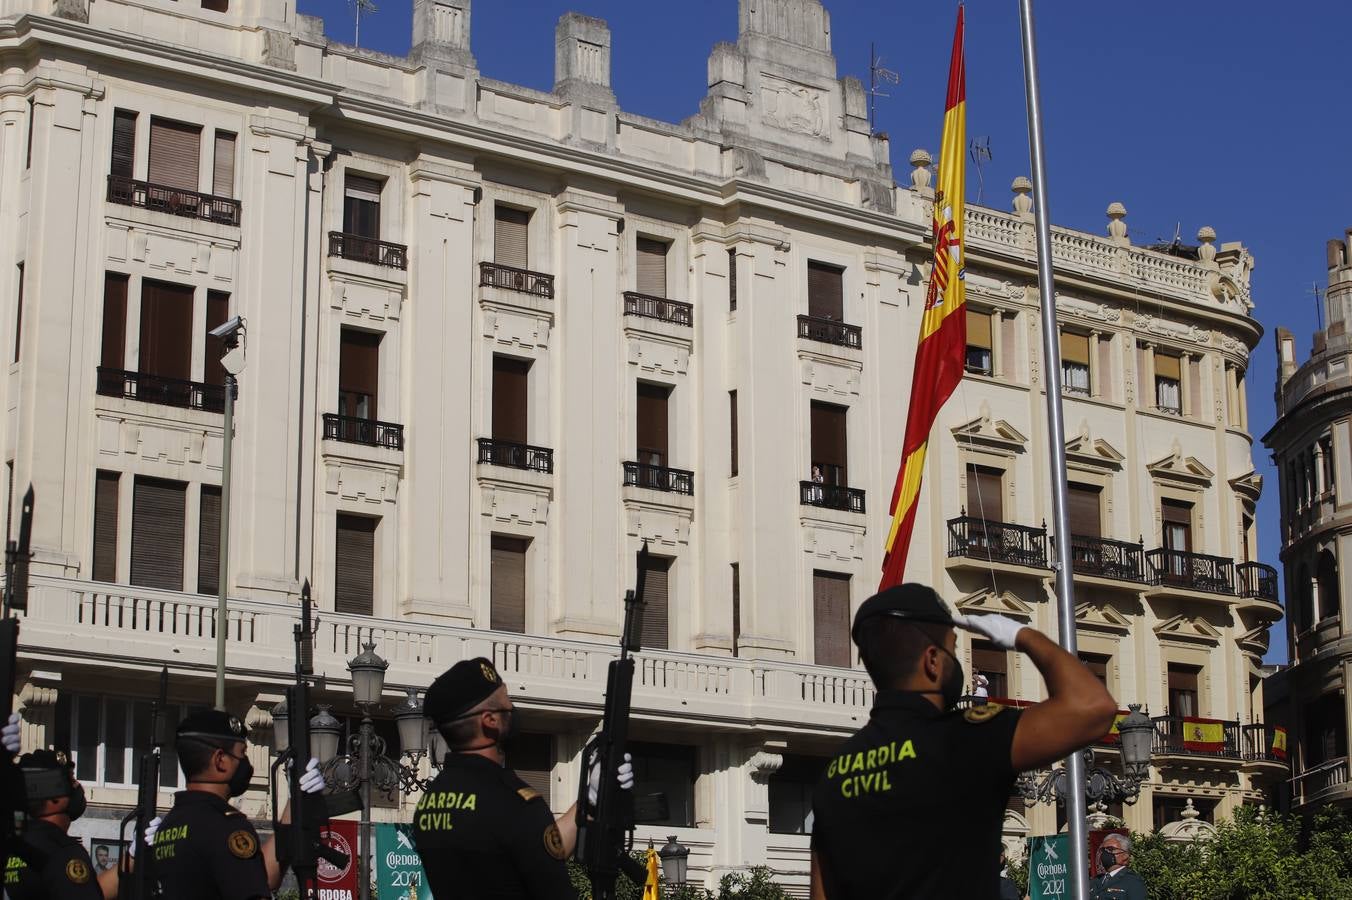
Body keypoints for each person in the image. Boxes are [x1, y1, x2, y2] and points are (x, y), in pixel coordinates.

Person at [809, 583, 1117, 900]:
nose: (956, 662)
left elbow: (820, 893)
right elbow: (1094, 708)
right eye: (953, 651)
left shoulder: (834, 773)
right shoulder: (968, 737)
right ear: (932, 661)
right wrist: (1022, 636)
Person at [412, 656, 635, 899]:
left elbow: (536, 848)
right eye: (506, 702)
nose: (512, 708)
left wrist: (590, 800)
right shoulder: (513, 801)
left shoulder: (429, 803)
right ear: (490, 721)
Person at [151, 708, 325, 900]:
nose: (244, 762)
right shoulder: (225, 826)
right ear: (220, 760)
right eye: (241, 753)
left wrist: (295, 802)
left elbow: (261, 877)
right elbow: (255, 891)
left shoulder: (168, 826)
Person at [3, 749, 125, 900]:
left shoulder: (15, 845)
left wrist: (132, 857)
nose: (77, 785)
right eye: (69, 780)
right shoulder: (62, 852)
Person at [1090, 834, 1146, 900]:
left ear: (1125, 855)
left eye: (1110, 849)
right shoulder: (1094, 881)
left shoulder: (1133, 882)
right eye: (1103, 850)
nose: (1105, 853)